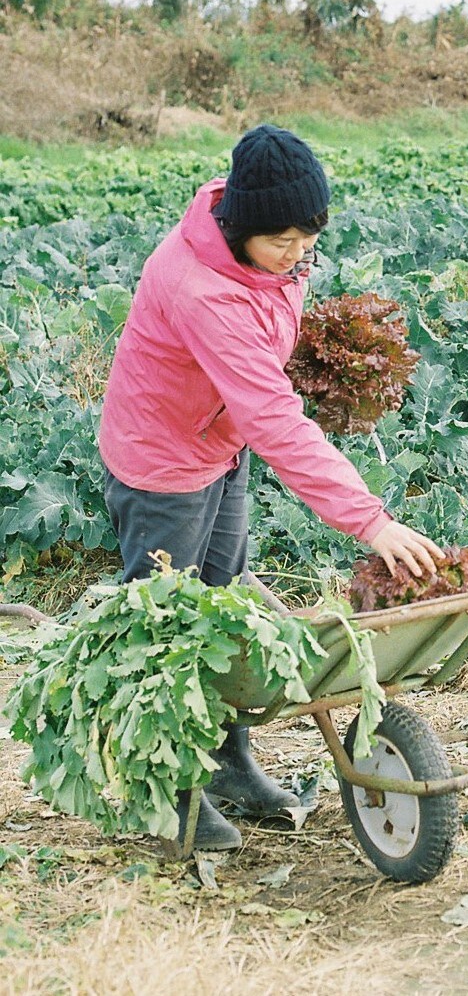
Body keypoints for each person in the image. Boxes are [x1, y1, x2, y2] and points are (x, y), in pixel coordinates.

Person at [98, 123, 445, 852]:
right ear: (242, 228)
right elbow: (273, 416)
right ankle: (162, 793)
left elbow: (268, 338)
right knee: (165, 634)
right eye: (283, 241)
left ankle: (227, 762)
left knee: (225, 614)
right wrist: (370, 521)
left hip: (218, 444)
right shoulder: (200, 290)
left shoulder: (269, 254)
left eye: (308, 239)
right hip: (161, 462)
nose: (299, 254)